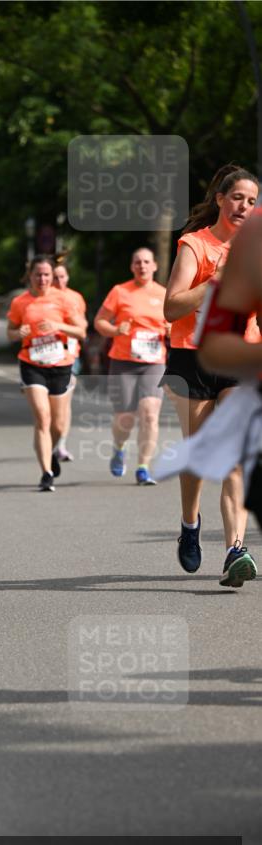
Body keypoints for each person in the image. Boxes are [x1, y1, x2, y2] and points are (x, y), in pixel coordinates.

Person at [161, 164, 259, 582]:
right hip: (191, 358)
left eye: (253, 201)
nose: (244, 206)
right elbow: (171, 307)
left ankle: (235, 549)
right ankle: (189, 524)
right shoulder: (194, 245)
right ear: (220, 199)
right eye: (237, 197)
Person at [7, 255, 87, 492]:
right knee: (42, 417)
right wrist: (17, 333)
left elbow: (81, 331)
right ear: (29, 276)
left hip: (61, 363)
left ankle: (52, 451)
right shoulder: (20, 302)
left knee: (59, 425)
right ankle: (46, 472)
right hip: (31, 363)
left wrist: (58, 326)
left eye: (46, 275)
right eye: (37, 275)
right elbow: (11, 331)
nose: (42, 279)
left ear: (52, 277)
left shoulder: (63, 299)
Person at [94, 248, 169, 485]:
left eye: (147, 262)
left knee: (149, 414)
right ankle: (119, 447)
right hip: (123, 360)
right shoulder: (120, 291)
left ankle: (143, 467)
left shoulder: (164, 294)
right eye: (137, 262)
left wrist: (171, 330)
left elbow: (178, 326)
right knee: (125, 418)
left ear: (155, 266)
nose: (142, 266)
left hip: (154, 361)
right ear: (131, 266)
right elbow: (99, 322)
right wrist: (116, 330)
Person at [52, 262, 87, 462]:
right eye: (55, 277)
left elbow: (82, 325)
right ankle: (51, 439)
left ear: (68, 277)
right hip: (45, 356)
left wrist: (70, 326)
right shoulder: (44, 298)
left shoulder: (76, 298)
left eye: (62, 276)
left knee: (65, 403)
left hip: (70, 355)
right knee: (50, 406)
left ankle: (61, 445)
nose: (59, 281)